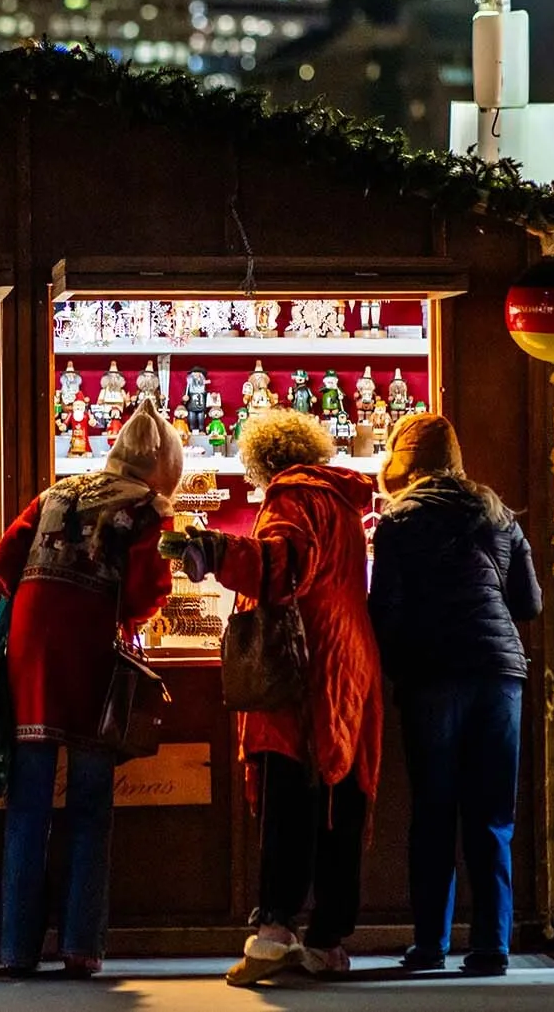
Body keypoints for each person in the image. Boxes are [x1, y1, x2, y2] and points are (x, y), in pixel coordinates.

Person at [161, 408, 381, 986]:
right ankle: (329, 940)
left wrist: (210, 551)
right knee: (340, 796)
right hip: (350, 657)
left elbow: (283, 568)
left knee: (288, 789)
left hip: (299, 660)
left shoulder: (289, 496)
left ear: (260, 460)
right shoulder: (341, 499)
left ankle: (275, 931)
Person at [0, 398, 182, 978]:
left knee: (27, 804)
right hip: (92, 657)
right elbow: (147, 593)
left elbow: (2, 563)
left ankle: (17, 949)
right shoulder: (148, 508)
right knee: (91, 805)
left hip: (31, 653)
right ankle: (80, 945)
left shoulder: (59, 492)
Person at [367, 413, 541, 978]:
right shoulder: (498, 515)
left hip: (433, 676)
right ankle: (492, 947)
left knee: (434, 812)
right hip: (499, 675)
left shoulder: (398, 521)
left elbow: (385, 609)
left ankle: (429, 945)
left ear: (406, 462)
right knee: (493, 815)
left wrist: (398, 669)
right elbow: (530, 604)